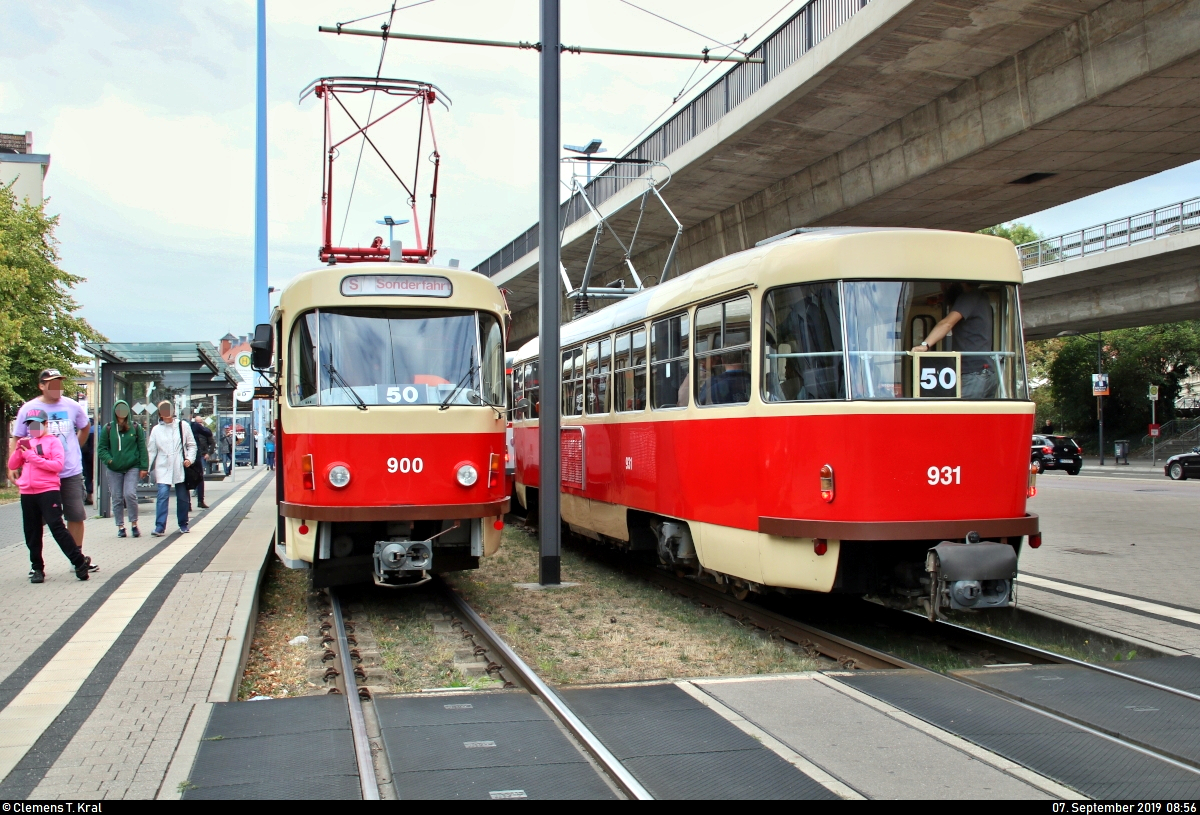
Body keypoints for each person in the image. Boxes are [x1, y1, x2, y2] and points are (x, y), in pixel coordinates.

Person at [10, 369, 95, 570]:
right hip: (41, 477)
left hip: (69, 472)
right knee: (36, 522)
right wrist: (12, 465)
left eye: (59, 383)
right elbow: (18, 438)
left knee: (75, 515)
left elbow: (85, 426)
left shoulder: (72, 406)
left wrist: (76, 449)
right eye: (51, 383)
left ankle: (78, 560)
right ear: (41, 385)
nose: (56, 387)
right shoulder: (29, 408)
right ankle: (36, 564)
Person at [911, 282, 996, 399]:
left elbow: (946, 323)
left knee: (959, 416)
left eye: (946, 284)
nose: (943, 287)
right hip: (987, 372)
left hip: (973, 373)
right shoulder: (983, 297)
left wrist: (925, 345)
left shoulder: (969, 297)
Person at [97, 400, 148, 538]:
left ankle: (134, 524)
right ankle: (120, 526)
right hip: (114, 468)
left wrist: (144, 466)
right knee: (117, 497)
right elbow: (101, 449)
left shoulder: (135, 428)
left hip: (132, 466)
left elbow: (142, 448)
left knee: (130, 494)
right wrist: (110, 460)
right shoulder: (108, 429)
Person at [146, 401, 197, 536]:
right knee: (162, 495)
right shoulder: (156, 430)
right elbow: (151, 450)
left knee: (182, 497)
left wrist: (189, 459)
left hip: (180, 465)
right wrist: (145, 467)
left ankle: (183, 524)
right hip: (163, 466)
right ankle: (160, 526)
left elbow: (192, 445)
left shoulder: (183, 426)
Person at [187, 411, 214, 509]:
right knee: (199, 477)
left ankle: (188, 504)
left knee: (185, 480)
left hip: (185, 455)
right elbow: (208, 432)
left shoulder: (178, 425)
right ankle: (200, 501)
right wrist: (202, 427)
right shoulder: (195, 426)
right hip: (196, 454)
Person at [82, 418, 95, 505]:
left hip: (85, 456)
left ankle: (88, 494)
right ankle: (89, 494)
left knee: (88, 476)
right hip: (92, 456)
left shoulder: (85, 431)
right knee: (92, 477)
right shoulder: (96, 429)